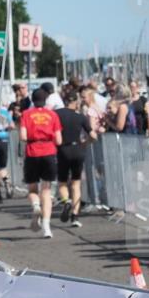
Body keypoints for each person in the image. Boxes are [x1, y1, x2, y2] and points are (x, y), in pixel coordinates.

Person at [19, 88, 63, 239]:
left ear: (32, 99)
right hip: (49, 152)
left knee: (32, 188)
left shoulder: (26, 114)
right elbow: (59, 140)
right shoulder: (52, 115)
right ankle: (46, 227)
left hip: (32, 152)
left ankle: (36, 206)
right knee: (46, 190)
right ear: (45, 100)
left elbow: (23, 136)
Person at [54, 91, 96, 228]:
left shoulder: (57, 114)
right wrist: (86, 143)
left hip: (63, 149)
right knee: (76, 184)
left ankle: (66, 201)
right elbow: (94, 135)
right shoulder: (81, 117)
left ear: (64, 101)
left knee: (62, 182)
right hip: (78, 149)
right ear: (75, 102)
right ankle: (75, 216)